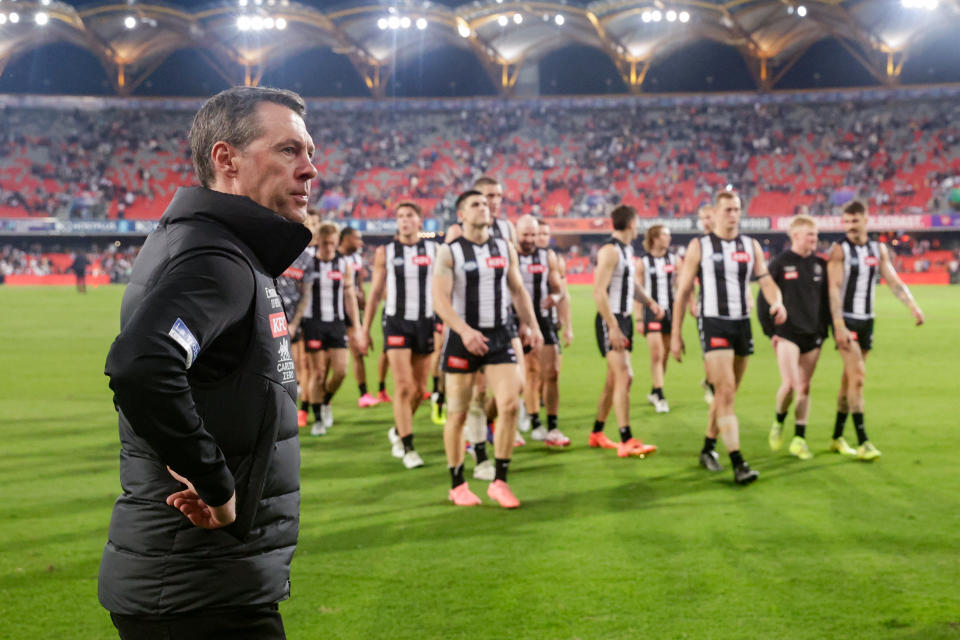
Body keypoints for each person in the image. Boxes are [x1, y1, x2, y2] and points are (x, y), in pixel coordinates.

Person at [100, 86, 317, 638]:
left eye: (309, 152)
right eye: (289, 151)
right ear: (226, 159)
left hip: (201, 583)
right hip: (200, 590)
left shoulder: (217, 245)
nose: (310, 170)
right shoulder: (215, 255)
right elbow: (143, 363)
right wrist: (215, 485)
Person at [435, 190, 543, 508]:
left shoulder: (503, 247)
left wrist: (532, 325)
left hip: (498, 335)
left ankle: (500, 481)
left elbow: (518, 290)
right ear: (462, 215)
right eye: (475, 204)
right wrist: (464, 330)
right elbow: (440, 300)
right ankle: (458, 484)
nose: (484, 208)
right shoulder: (450, 252)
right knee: (457, 414)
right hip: (462, 337)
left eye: (486, 203)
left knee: (509, 404)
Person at [671, 191, 786, 485]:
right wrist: (675, 334)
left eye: (736, 210)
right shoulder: (700, 246)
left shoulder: (750, 246)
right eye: (727, 210)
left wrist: (777, 301)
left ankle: (708, 448)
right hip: (713, 324)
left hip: (741, 325)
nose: (732, 215)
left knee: (727, 395)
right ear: (716, 213)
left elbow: (765, 279)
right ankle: (738, 462)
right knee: (725, 391)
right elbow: (683, 291)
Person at [827, 200, 925, 460]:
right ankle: (863, 441)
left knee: (850, 380)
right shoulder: (839, 250)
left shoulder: (876, 249)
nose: (850, 226)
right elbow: (834, 289)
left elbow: (893, 280)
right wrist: (838, 324)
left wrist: (913, 306)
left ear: (865, 220)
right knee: (858, 376)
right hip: (846, 320)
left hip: (867, 320)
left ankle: (837, 437)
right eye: (846, 222)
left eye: (854, 221)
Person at [362, 202, 435, 469]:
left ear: (420, 221)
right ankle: (407, 445)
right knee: (404, 387)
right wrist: (364, 328)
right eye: (400, 217)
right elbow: (375, 292)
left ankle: (398, 429)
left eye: (410, 216)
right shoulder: (387, 252)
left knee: (418, 390)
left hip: (425, 323)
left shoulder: (434, 250)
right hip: (396, 324)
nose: (404, 221)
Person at [589, 205, 661, 459]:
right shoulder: (610, 251)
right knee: (625, 376)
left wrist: (650, 302)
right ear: (632, 223)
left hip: (625, 319)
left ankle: (597, 432)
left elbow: (631, 286)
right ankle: (626, 439)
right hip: (613, 320)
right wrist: (613, 326)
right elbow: (599, 292)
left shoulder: (627, 251)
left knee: (613, 381)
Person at [760, 216, 829, 460]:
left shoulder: (821, 265)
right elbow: (764, 298)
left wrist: (824, 331)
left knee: (805, 387)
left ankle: (799, 438)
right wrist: (771, 332)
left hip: (813, 335)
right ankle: (779, 421)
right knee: (790, 384)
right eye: (810, 234)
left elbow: (826, 302)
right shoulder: (780, 263)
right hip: (787, 334)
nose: (814, 239)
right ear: (796, 236)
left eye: (815, 234)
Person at [515, 214, 571, 446]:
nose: (530, 239)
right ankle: (534, 421)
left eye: (534, 234)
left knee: (552, 373)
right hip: (518, 321)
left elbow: (559, 289)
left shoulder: (547, 256)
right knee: (529, 372)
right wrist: (520, 322)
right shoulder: (510, 255)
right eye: (526, 234)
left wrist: (554, 297)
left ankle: (553, 426)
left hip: (544, 319)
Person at [302, 222, 362, 435]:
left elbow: (349, 296)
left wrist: (357, 326)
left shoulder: (344, 264)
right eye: (325, 243)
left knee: (341, 372)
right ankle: (318, 418)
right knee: (318, 373)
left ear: (337, 243)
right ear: (318, 241)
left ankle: (325, 401)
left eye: (332, 244)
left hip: (336, 324)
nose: (328, 248)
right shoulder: (308, 262)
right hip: (313, 323)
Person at [276, 211, 318, 428]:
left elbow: (306, 294)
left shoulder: (307, 259)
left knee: (302, 366)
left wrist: (294, 323)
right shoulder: (273, 249)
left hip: (295, 320)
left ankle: (301, 411)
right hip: (272, 317)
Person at [535, 220, 573, 427]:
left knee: (551, 371)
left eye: (545, 234)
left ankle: (548, 421)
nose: (542, 237)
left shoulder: (555, 260)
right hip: (523, 322)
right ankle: (529, 411)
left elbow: (563, 294)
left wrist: (568, 325)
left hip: (548, 322)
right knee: (530, 373)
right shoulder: (516, 255)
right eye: (538, 233)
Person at [637, 225, 678, 414]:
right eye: (665, 235)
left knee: (665, 353)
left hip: (670, 312)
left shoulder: (674, 259)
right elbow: (637, 290)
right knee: (657, 352)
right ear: (654, 238)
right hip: (650, 312)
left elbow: (680, 284)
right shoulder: (643, 262)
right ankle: (660, 395)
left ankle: (654, 390)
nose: (668, 238)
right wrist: (638, 318)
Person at [338, 227, 377, 408]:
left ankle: (364, 394)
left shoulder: (356, 258)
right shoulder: (333, 257)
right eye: (357, 238)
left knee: (358, 352)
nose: (360, 243)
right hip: (333, 313)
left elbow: (359, 285)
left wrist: (361, 296)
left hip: (352, 312)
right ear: (345, 239)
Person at [691, 204, 715, 405]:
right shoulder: (698, 245)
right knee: (709, 350)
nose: (706, 221)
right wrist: (692, 301)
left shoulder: (733, 242)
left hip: (733, 310)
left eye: (709, 216)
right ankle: (712, 386)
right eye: (703, 218)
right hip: (707, 307)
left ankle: (711, 381)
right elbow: (688, 279)